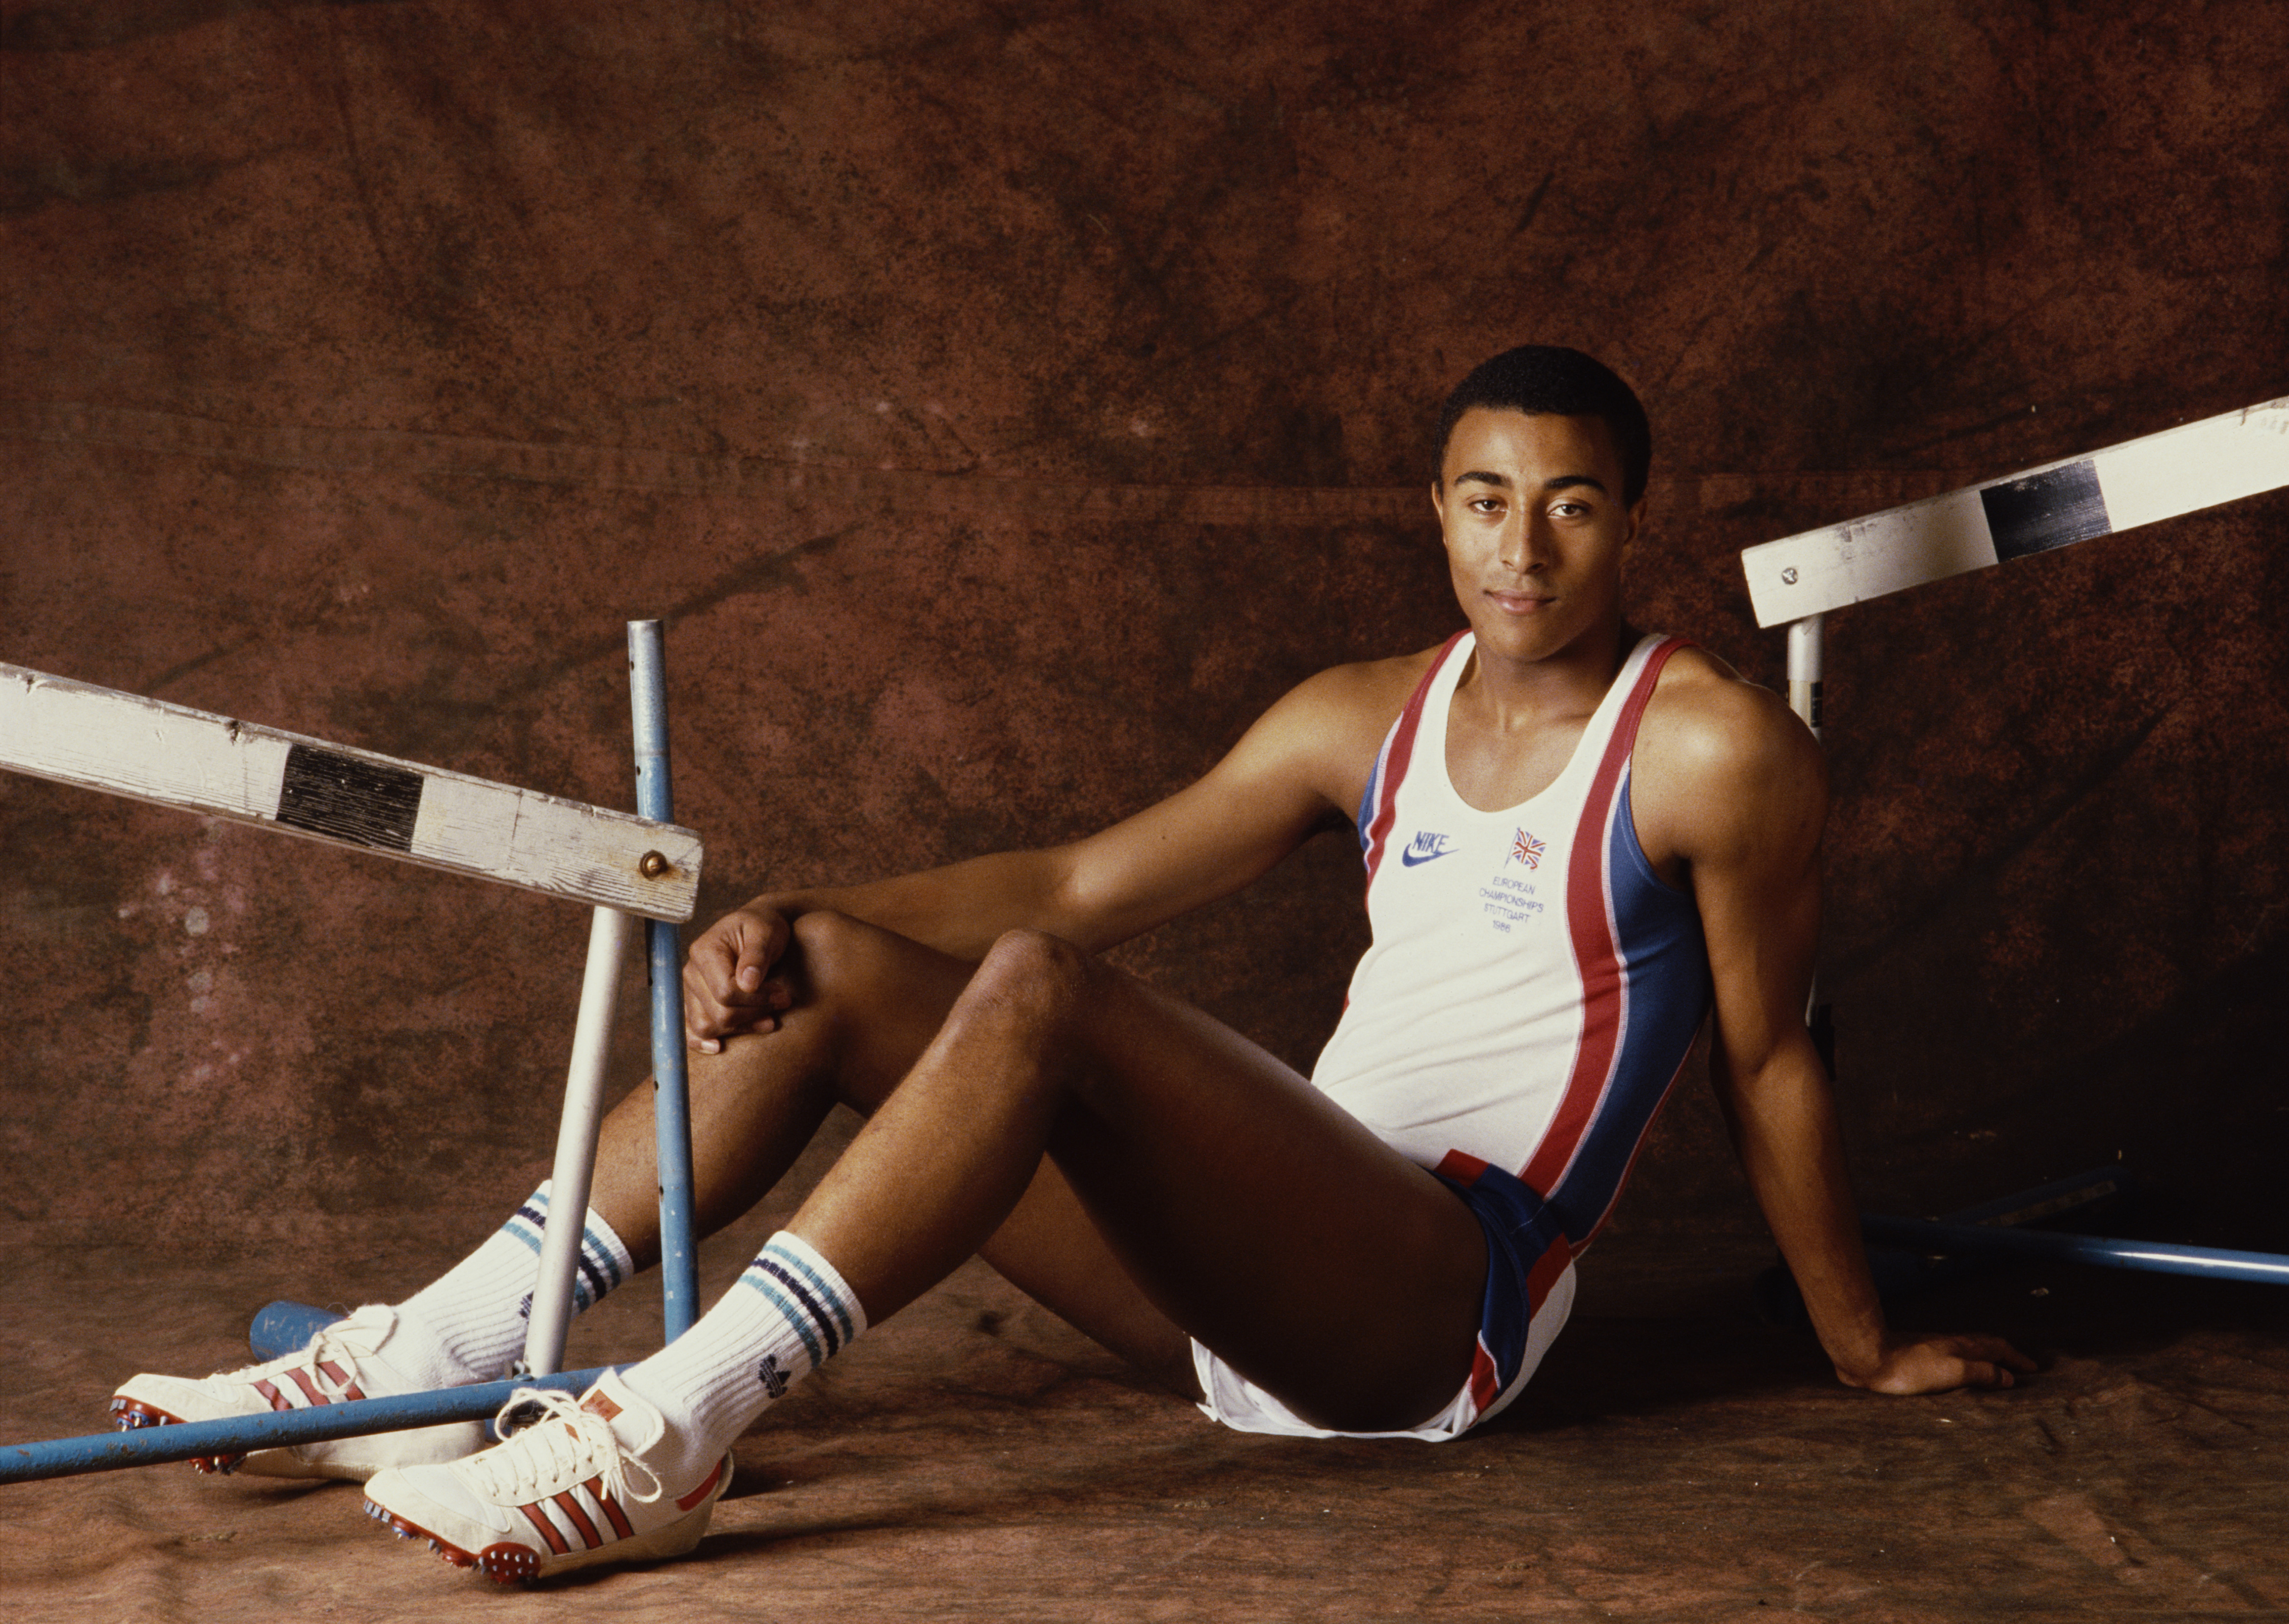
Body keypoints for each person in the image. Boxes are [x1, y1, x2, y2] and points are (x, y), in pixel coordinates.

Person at [112, 346, 2033, 1582]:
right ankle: (440, 1358)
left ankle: (670, 1428)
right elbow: (1091, 871)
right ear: (1434, 510)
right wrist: (792, 919)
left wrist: (1859, 1352)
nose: (1522, 547)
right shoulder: (1358, 712)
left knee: (1035, 990)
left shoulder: (1716, 750)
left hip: (1436, 1307)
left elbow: (1777, 1058)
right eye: (1482, 498)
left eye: (1574, 503)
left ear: (1633, 520)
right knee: (858, 962)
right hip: (1235, 1293)